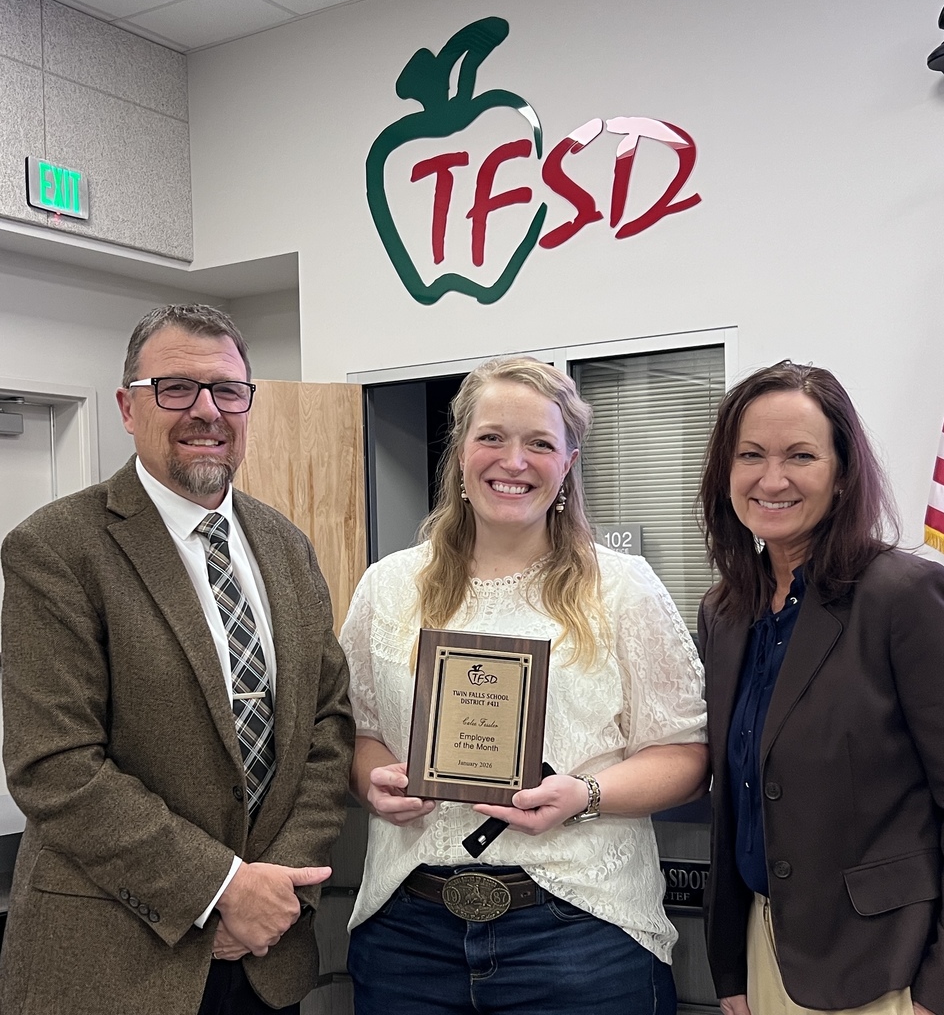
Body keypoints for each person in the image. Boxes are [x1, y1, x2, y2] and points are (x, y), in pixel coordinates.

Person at [0, 304, 355, 1015]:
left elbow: (328, 725)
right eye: (175, 388)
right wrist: (221, 888)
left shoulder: (286, 547)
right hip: (116, 960)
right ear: (128, 407)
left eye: (227, 390)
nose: (206, 411)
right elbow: (56, 764)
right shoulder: (57, 547)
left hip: (265, 957)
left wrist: (273, 887)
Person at [339, 355, 709, 1015]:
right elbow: (361, 733)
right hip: (408, 940)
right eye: (492, 438)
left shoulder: (623, 589)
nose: (514, 461)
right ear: (460, 454)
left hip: (579, 938)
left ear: (567, 463)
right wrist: (373, 782)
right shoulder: (387, 588)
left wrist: (586, 795)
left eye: (540, 443)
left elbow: (684, 755)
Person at [697, 360, 944, 1015]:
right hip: (767, 954)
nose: (773, 478)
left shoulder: (906, 596)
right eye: (751, 455)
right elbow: (739, 801)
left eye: (801, 455)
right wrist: (733, 968)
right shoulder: (725, 611)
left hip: (886, 968)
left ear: (841, 474)